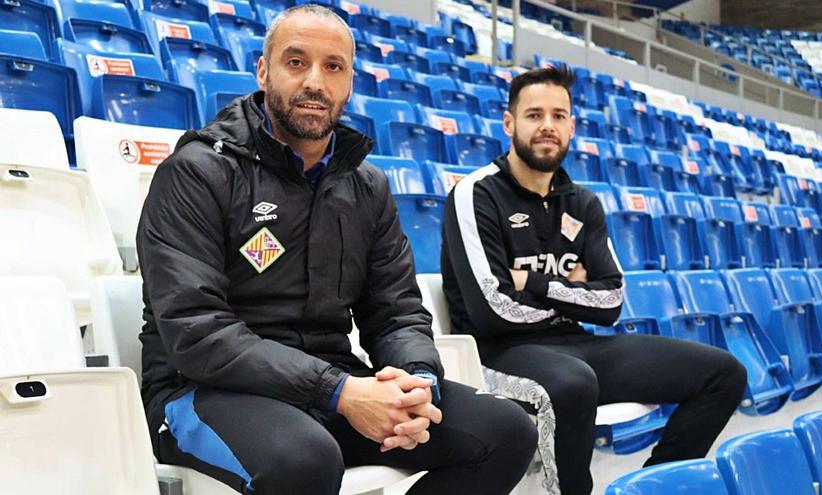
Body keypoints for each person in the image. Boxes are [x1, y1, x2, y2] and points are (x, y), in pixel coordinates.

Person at [136, 5, 536, 494]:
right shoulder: (197, 171)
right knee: (304, 460)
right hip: (203, 390)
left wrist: (416, 382)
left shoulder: (366, 185)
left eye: (333, 67)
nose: (315, 83)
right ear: (264, 71)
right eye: (296, 62)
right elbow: (196, 333)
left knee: (506, 430)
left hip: (331, 385)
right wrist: (340, 392)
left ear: (349, 81)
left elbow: (397, 311)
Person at [440, 66, 748, 494]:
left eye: (558, 115)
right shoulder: (475, 194)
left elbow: (612, 301)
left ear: (572, 126)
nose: (547, 126)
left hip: (575, 344)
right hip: (495, 353)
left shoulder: (583, 203)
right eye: (534, 115)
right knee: (572, 383)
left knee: (724, 374)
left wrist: (532, 281)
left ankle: (648, 486)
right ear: (509, 123)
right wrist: (575, 291)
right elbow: (492, 310)